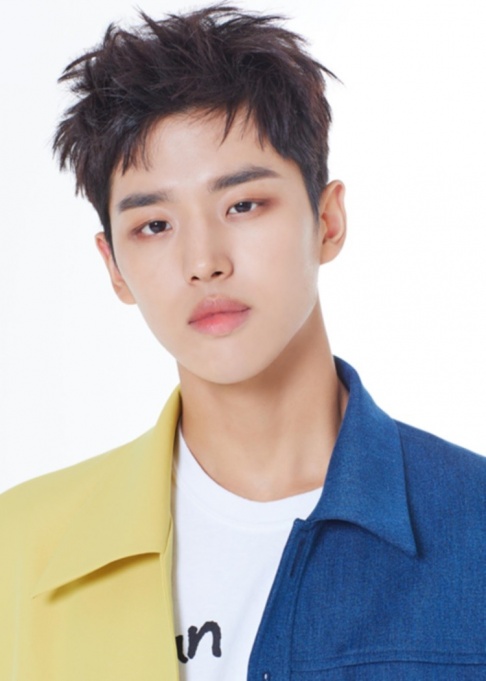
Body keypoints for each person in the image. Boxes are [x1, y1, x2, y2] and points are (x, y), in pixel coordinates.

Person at [1, 5, 485, 680]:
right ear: (114, 268)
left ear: (328, 220)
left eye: (243, 205)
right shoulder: (20, 550)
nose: (204, 261)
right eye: (154, 225)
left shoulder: (474, 524)